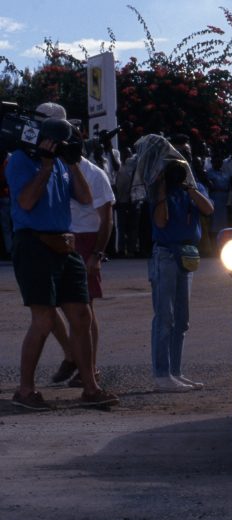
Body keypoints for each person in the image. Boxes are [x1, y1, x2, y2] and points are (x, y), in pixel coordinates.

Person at [6, 102, 118, 409]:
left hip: (64, 245)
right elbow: (26, 202)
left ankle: (90, 388)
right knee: (43, 320)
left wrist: (72, 162)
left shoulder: (60, 163)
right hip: (33, 243)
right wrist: (44, 167)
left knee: (81, 315)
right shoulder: (19, 160)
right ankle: (25, 391)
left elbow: (84, 197)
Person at [50, 144, 115, 387]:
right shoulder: (54, 167)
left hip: (86, 240)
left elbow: (107, 219)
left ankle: (90, 367)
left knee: (85, 308)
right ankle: (72, 356)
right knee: (48, 305)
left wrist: (96, 255)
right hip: (60, 237)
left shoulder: (95, 174)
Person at [149, 159, 214, 392]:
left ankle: (175, 372)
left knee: (181, 319)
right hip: (165, 254)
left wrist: (190, 188)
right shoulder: (158, 191)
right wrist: (162, 189)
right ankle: (161, 374)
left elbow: (208, 209)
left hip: (187, 254)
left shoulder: (193, 188)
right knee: (164, 317)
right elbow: (160, 221)